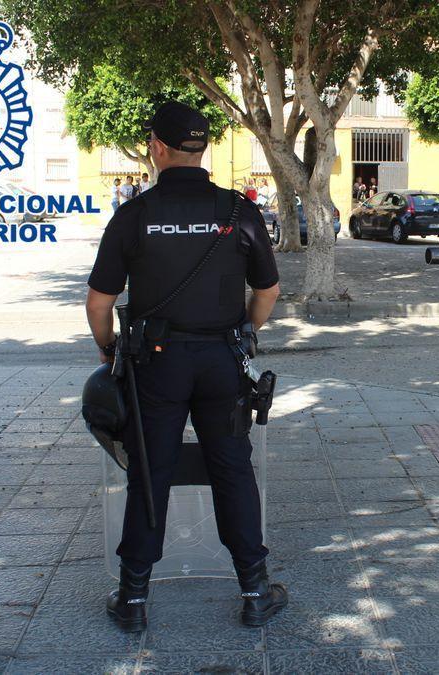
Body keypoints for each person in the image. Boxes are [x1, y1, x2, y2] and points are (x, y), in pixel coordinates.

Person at [85, 101, 288, 632]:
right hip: (222, 361)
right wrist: (244, 333)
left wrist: (108, 351)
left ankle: (132, 598)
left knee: (150, 472)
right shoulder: (238, 211)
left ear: (156, 147)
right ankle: (255, 590)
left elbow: (98, 304)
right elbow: (267, 291)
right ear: (202, 148)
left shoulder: (133, 214)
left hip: (156, 364)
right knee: (233, 468)